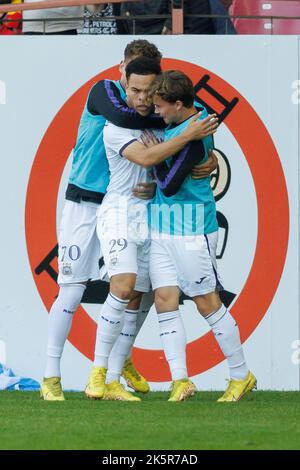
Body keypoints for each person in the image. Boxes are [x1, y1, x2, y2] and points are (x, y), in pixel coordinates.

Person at [40, 40, 164, 401]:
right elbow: (126, 117)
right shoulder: (104, 91)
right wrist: (174, 117)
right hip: (83, 201)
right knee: (73, 287)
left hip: (125, 206)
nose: (134, 84)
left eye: (146, 86)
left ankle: (118, 362)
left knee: (138, 288)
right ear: (122, 68)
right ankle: (51, 376)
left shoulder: (145, 102)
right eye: (129, 70)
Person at [90, 57, 218, 401]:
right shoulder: (115, 124)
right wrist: (190, 134)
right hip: (119, 212)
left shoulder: (164, 119)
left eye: (149, 91)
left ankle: (115, 376)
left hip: (152, 217)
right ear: (123, 83)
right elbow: (148, 159)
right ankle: (97, 374)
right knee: (123, 285)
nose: (143, 98)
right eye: (135, 90)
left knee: (140, 299)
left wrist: (209, 154)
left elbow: (192, 130)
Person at [144, 70, 256, 402]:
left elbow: (168, 184)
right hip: (162, 224)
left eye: (162, 107)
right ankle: (180, 380)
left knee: (207, 301)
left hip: (192, 227)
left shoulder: (195, 135)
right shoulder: (195, 119)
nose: (158, 113)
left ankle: (240, 374)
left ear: (179, 104)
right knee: (165, 300)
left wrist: (153, 157)